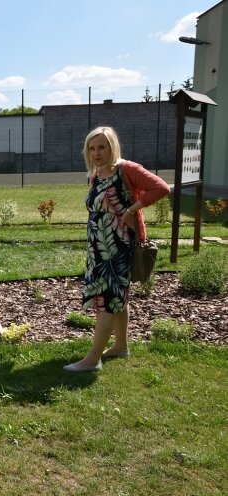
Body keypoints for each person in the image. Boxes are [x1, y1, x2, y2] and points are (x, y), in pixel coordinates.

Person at [64, 126, 171, 372]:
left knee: (106, 300)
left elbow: (161, 188)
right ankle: (121, 346)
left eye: (102, 147)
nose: (96, 153)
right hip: (98, 249)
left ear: (112, 146)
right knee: (118, 300)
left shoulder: (126, 169)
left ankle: (93, 360)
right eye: (92, 148)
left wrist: (132, 210)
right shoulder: (97, 174)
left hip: (118, 249)